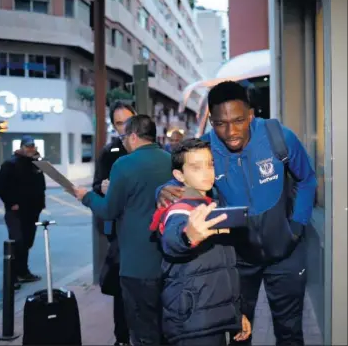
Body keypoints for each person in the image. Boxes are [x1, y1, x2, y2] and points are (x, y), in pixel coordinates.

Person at [156, 81, 317, 346]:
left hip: (286, 255)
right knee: (240, 333)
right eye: (220, 123)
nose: (231, 131)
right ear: (211, 121)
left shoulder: (279, 137)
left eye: (239, 120)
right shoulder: (205, 149)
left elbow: (307, 179)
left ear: (251, 115)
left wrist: (297, 226)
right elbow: (178, 180)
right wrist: (162, 191)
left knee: (290, 334)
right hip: (240, 259)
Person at [73, 115, 173, 346]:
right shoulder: (171, 160)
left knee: (143, 331)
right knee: (165, 327)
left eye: (124, 137)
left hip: (136, 265)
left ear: (134, 136)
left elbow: (108, 210)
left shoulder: (124, 164)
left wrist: (86, 196)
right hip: (167, 261)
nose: (124, 142)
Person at [150, 138, 251, 346]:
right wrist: (188, 237)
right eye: (196, 167)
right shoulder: (180, 208)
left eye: (210, 164)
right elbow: (172, 239)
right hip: (193, 325)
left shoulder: (211, 205)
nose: (206, 172)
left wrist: (235, 314)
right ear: (179, 175)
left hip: (212, 320)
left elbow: (222, 271)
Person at [92, 101, 135, 346]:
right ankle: (122, 339)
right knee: (121, 290)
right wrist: (102, 188)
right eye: (119, 123)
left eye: (128, 121)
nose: (124, 128)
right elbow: (96, 186)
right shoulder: (109, 153)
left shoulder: (156, 149)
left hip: (151, 232)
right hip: (120, 233)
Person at [0, 135, 45, 288]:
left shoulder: (36, 164)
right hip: (16, 212)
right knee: (17, 242)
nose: (31, 149)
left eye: (33, 146)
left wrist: (40, 204)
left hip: (32, 211)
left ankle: (23, 272)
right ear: (21, 148)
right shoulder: (10, 164)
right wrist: (11, 203)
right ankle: (12, 278)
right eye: (28, 146)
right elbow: (1, 187)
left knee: (27, 242)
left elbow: (40, 185)